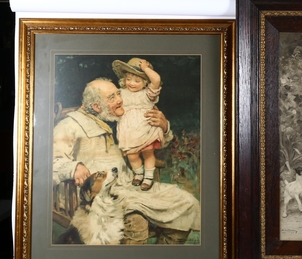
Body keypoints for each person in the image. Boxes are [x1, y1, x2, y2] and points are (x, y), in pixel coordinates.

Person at [52, 77, 200, 244]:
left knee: (187, 202)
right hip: (98, 198)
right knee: (137, 223)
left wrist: (164, 127)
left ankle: (161, 258)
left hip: (130, 185)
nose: (120, 100)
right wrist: (74, 167)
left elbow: (151, 143)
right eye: (112, 97)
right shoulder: (69, 125)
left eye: (118, 94)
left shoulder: (126, 117)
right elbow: (49, 162)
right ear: (97, 107)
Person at [112, 57, 164, 191]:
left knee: (148, 153)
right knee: (132, 155)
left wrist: (145, 69)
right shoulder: (121, 93)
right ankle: (139, 173)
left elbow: (156, 80)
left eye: (137, 81)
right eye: (128, 79)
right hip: (128, 132)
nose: (132, 83)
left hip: (145, 129)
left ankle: (148, 177)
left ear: (145, 81)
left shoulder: (148, 94)